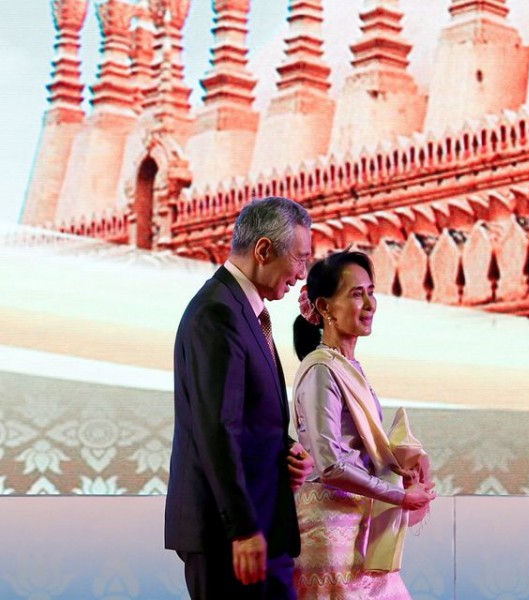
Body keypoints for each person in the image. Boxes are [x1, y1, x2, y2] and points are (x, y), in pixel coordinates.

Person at [165, 196, 316, 600]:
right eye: (300, 259)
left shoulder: (244, 311)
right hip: (230, 537)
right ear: (264, 249)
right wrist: (243, 529)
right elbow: (216, 427)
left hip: (261, 523)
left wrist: (285, 451)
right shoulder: (217, 313)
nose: (302, 275)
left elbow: (245, 418)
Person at [291, 249, 435, 599]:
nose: (370, 304)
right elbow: (330, 465)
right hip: (330, 531)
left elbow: (355, 451)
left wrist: (400, 465)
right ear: (324, 307)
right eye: (357, 294)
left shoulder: (348, 366)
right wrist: (400, 496)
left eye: (371, 292)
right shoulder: (321, 369)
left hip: (360, 522)